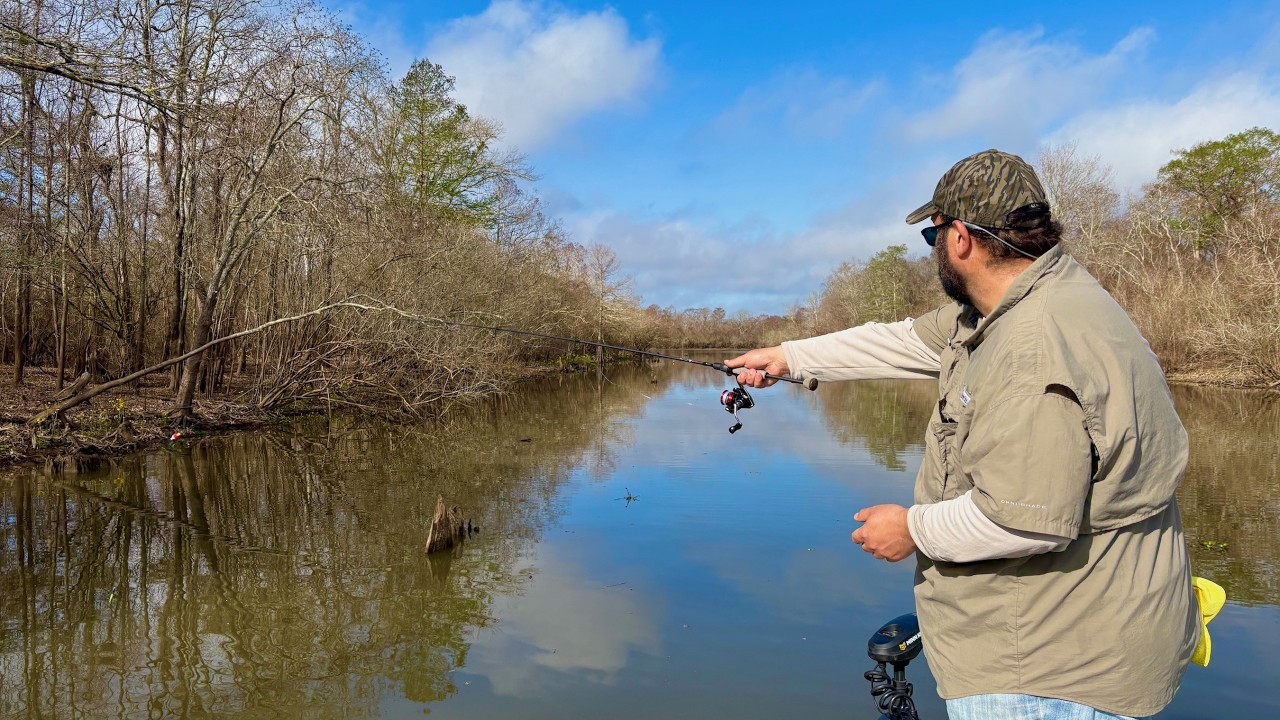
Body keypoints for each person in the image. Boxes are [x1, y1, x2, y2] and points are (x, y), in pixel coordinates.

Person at [727, 149, 1199, 720]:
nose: (932, 252)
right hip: (1086, 643)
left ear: (961, 240)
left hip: (1047, 675)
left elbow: (1021, 518)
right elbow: (906, 341)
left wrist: (911, 529)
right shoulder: (1033, 302)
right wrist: (789, 358)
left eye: (932, 236)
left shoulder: (1031, 347)